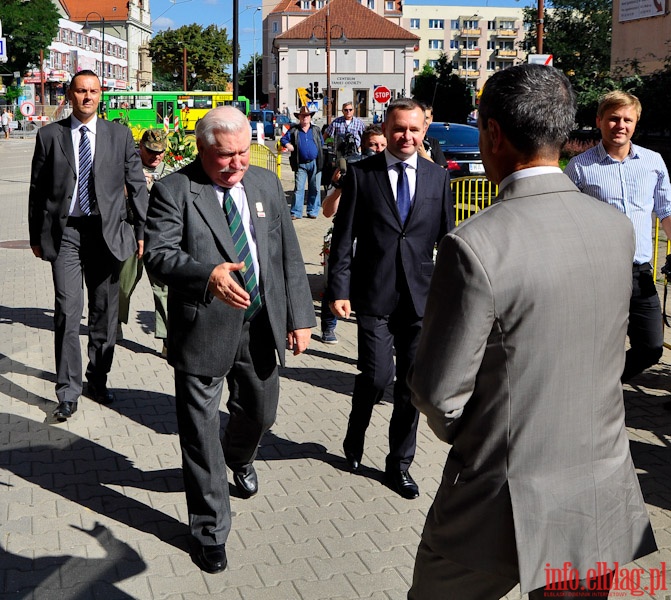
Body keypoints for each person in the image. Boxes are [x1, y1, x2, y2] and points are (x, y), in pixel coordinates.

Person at [407, 64, 656, 600]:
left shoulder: (475, 244)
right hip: (597, 483)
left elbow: (438, 391)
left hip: (497, 491)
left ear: (493, 133)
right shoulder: (617, 229)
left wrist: (480, 434)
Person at [143, 106, 315, 574]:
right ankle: (209, 529)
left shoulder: (261, 184)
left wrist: (300, 316)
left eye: (242, 152)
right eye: (225, 156)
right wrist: (207, 274)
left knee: (261, 413)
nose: (237, 163)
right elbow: (157, 256)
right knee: (199, 434)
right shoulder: (175, 190)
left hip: (261, 323)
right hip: (203, 327)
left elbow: (288, 256)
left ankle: (237, 458)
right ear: (202, 150)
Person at [327, 98, 454, 499]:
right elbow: (344, 237)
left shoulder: (438, 178)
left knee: (410, 389)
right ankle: (355, 432)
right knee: (377, 376)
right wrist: (338, 290)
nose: (407, 136)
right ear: (386, 127)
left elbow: (447, 242)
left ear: (424, 131)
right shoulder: (362, 175)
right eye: (400, 128)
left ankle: (398, 465)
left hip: (420, 300)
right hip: (373, 294)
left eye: (414, 130)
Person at [28, 70, 148, 422]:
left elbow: (136, 184)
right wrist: (37, 237)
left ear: (101, 95)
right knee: (67, 310)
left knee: (104, 313)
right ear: (70, 94)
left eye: (93, 91)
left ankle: (98, 378)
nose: (87, 97)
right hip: (65, 233)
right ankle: (67, 391)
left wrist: (142, 230)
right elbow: (37, 190)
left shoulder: (119, 135)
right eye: (81, 91)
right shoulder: (50, 135)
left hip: (106, 233)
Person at [565, 90, 671, 382]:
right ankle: (589, 394)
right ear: (599, 121)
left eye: (627, 119)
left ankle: (597, 385)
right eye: (613, 118)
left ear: (636, 123)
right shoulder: (580, 167)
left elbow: (666, 212)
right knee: (596, 344)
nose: (620, 125)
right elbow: (565, 220)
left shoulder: (653, 162)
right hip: (597, 275)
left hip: (640, 274)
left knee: (651, 347)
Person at [320, 125, 387, 345]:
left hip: (374, 239)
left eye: (382, 145)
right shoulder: (351, 168)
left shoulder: (390, 172)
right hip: (347, 238)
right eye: (373, 145)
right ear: (362, 146)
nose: (377, 150)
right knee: (336, 281)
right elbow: (328, 211)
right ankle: (329, 325)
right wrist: (340, 187)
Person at [117, 129, 170, 356]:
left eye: (160, 153)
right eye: (151, 152)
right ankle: (114, 322)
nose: (156, 157)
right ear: (141, 147)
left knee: (164, 288)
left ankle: (168, 340)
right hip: (131, 231)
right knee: (124, 283)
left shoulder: (170, 170)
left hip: (159, 236)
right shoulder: (128, 168)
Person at [280, 105, 324, 220]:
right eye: (303, 116)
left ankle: (312, 211)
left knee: (315, 188)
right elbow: (283, 139)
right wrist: (288, 145)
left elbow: (321, 143)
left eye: (307, 116)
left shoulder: (316, 130)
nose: (305, 118)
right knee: (299, 189)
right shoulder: (294, 130)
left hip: (315, 162)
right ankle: (296, 212)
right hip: (300, 164)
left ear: (310, 117)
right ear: (299, 117)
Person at [416, 101, 447, 168]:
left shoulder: (433, 143)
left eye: (426, 118)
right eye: (421, 118)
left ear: (431, 119)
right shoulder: (408, 140)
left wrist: (424, 155)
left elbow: (441, 172)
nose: (424, 121)